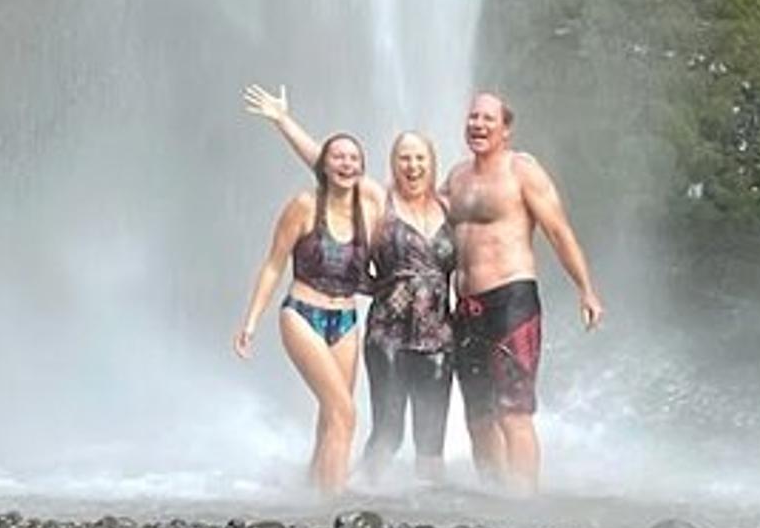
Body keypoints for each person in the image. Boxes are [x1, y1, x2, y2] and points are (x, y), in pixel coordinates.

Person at [244, 86, 456, 482]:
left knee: (361, 423)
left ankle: (328, 494)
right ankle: (339, 502)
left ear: (432, 162)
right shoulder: (378, 200)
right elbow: (329, 166)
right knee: (363, 421)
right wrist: (284, 122)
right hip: (367, 326)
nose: (412, 166)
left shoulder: (447, 205)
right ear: (393, 165)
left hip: (412, 330)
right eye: (404, 159)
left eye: (420, 158)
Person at [445, 90, 603, 493]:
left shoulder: (522, 171)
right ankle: (494, 497)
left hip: (510, 300)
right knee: (478, 416)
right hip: (464, 307)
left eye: (487, 119)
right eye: (473, 117)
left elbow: (558, 230)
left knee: (513, 411)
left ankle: (523, 502)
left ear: (506, 130)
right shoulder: (457, 176)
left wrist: (585, 289)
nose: (477, 125)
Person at [233, 129, 378, 495]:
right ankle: (332, 506)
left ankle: (315, 491)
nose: (346, 164)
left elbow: (377, 269)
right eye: (338, 157)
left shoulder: (370, 210)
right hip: (302, 313)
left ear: (362, 166)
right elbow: (273, 265)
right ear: (323, 165)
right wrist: (250, 322)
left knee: (332, 413)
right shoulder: (304, 206)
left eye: (353, 158)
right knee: (346, 414)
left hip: (346, 319)